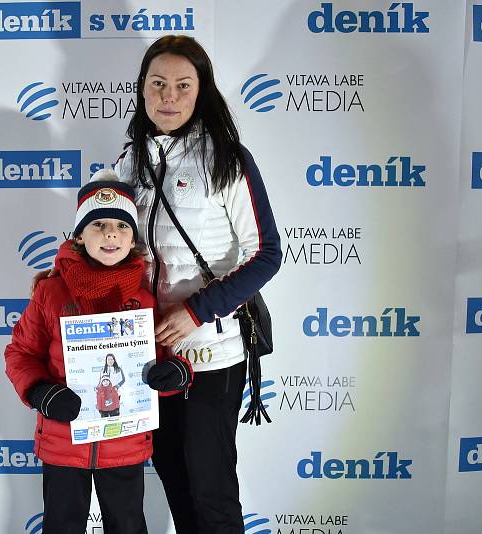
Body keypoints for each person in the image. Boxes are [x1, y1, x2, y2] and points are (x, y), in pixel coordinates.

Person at [91, 35, 282, 533]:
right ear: (142, 90)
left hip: (210, 354)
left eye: (181, 85)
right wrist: (61, 273)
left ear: (201, 92)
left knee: (211, 489)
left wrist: (196, 311)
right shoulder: (129, 162)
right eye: (158, 84)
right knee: (174, 479)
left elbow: (267, 254)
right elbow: (106, 245)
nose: (168, 97)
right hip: (148, 354)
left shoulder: (227, 158)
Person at [5, 181, 193, 534]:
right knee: (62, 525)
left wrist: (175, 373)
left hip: (125, 441)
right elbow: (20, 353)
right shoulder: (50, 292)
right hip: (65, 438)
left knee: (128, 526)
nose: (111, 234)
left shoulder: (145, 298)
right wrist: (41, 393)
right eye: (99, 225)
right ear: (79, 237)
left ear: (133, 239)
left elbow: (162, 358)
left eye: (123, 226)